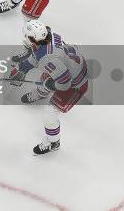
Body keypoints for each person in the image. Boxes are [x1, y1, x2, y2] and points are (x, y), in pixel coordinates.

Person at [8, 20, 88, 155]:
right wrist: (22, 69)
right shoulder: (49, 36)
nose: (24, 39)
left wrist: (50, 84)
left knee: (49, 114)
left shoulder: (47, 58)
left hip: (76, 84)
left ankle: (53, 142)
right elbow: (37, 57)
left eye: (27, 36)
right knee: (47, 76)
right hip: (69, 65)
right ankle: (40, 94)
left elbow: (65, 83)